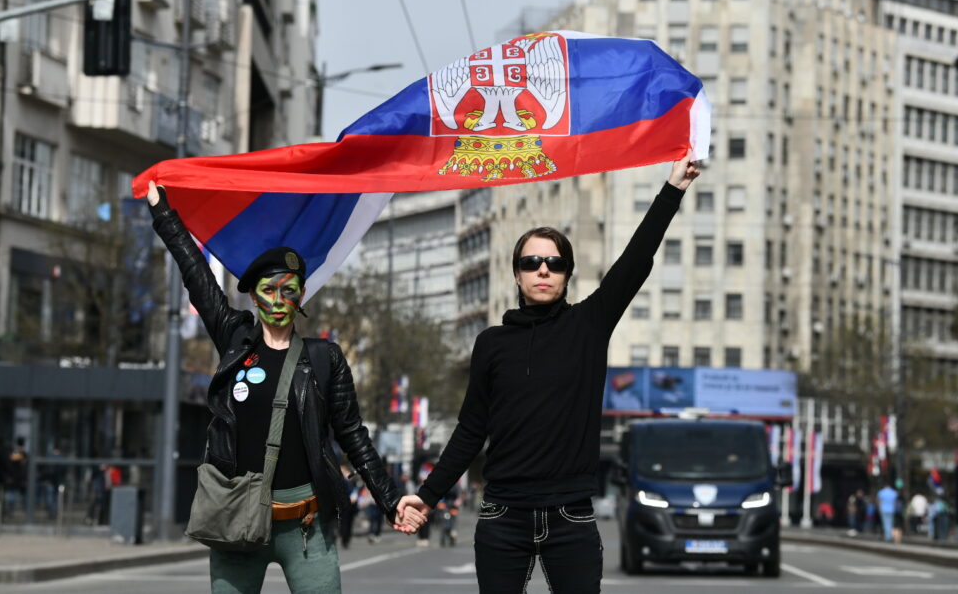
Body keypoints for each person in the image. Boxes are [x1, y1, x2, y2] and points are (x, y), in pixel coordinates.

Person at [399, 155, 699, 592]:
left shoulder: (589, 325)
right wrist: (427, 496)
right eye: (532, 262)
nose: (543, 270)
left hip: (570, 517)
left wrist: (673, 188)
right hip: (503, 515)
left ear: (567, 275)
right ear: (517, 275)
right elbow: (470, 431)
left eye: (554, 263)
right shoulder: (491, 343)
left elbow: (636, 260)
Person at [146, 181, 423, 594]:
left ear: (301, 295)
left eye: (288, 291)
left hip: (307, 527)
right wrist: (162, 212)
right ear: (255, 298)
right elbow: (196, 275)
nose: (278, 301)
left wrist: (390, 498)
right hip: (236, 519)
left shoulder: (325, 359)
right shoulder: (235, 340)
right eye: (268, 291)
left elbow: (352, 435)